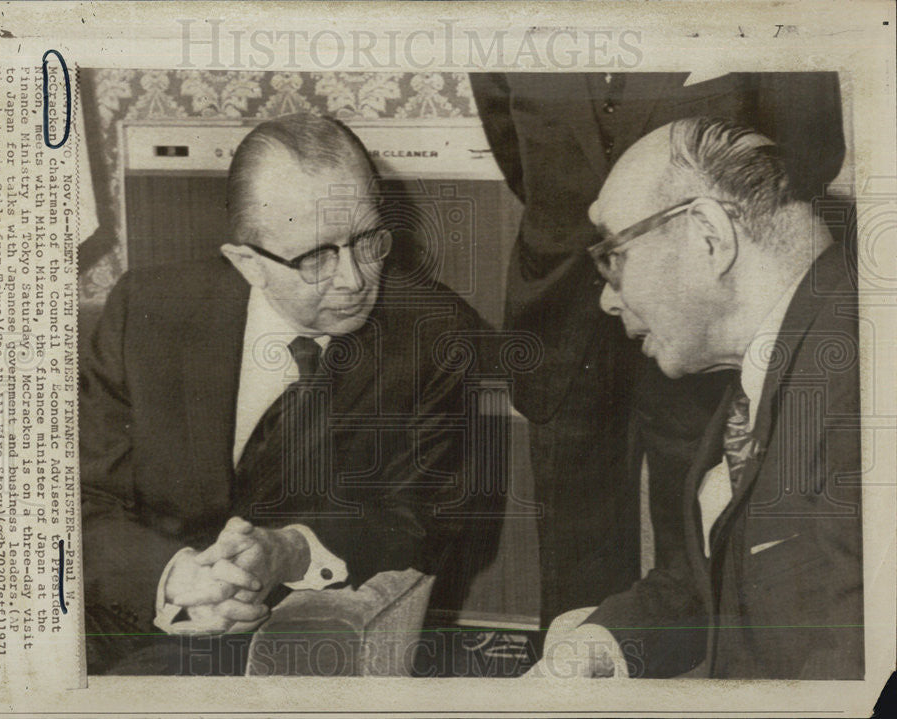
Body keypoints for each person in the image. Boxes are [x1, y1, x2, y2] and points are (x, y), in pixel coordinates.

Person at [80, 113, 492, 674]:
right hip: (123, 609)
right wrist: (175, 577)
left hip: (271, 632)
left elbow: (419, 520)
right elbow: (82, 499)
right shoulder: (147, 311)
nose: (353, 279)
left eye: (369, 240)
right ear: (248, 263)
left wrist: (288, 550)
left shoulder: (434, 336)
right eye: (317, 257)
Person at [468, 72, 847, 629]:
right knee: (575, 565)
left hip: (708, 302)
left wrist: (671, 259)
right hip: (562, 315)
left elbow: (802, 154)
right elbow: (515, 150)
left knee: (714, 541)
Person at [532, 117, 862, 679]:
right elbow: (718, 575)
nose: (610, 302)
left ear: (709, 235)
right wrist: (606, 643)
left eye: (616, 257)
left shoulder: (859, 385)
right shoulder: (784, 350)